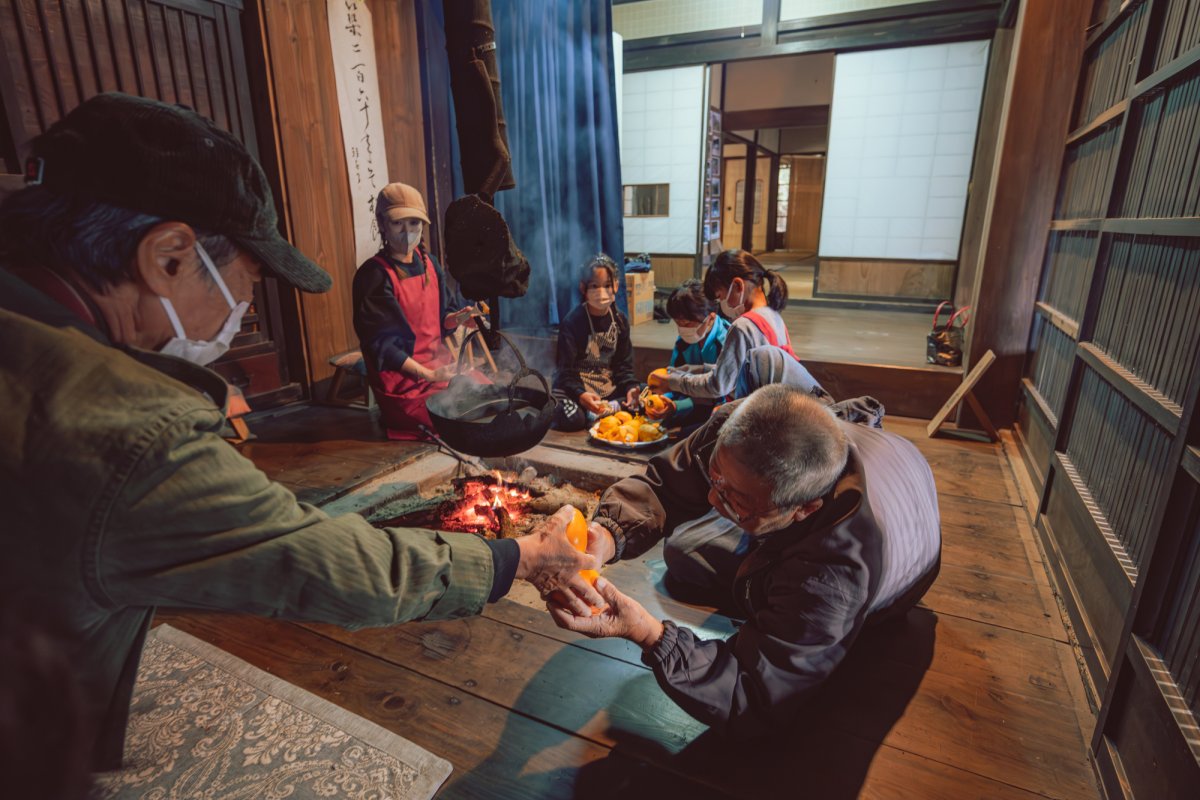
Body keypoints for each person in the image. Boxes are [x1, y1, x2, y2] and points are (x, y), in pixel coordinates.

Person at [0, 92, 602, 769]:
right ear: (167, 257)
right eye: (250, 278)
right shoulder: (125, 428)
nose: (244, 305)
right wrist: (516, 560)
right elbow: (318, 562)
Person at [548, 385, 942, 738]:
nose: (711, 497)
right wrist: (608, 534)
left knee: (705, 560)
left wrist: (648, 633)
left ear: (805, 509)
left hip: (905, 554)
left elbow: (753, 692)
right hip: (884, 458)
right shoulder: (742, 426)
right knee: (686, 552)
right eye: (716, 476)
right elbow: (670, 480)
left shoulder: (833, 572)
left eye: (736, 501)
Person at [352, 182, 477, 440]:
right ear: (382, 224)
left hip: (438, 367)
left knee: (483, 397)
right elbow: (383, 348)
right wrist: (429, 375)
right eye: (398, 223)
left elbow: (442, 320)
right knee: (449, 418)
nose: (407, 232)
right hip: (403, 381)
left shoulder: (430, 264)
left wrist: (460, 318)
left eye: (414, 223)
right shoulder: (374, 275)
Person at [648, 250, 829, 405]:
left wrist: (672, 382)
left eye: (721, 296)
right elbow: (731, 371)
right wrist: (682, 371)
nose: (722, 304)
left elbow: (718, 385)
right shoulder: (773, 316)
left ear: (737, 285)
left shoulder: (743, 326)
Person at [551, 254, 641, 431]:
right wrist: (581, 394)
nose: (601, 291)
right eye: (594, 286)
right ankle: (593, 410)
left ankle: (601, 410)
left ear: (616, 286)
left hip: (605, 387)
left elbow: (624, 366)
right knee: (573, 419)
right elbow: (565, 371)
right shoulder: (572, 322)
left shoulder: (620, 321)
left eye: (607, 285)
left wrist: (631, 388)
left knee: (642, 395)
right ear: (583, 288)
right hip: (577, 387)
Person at [646, 279, 730, 429]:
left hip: (718, 409)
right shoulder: (683, 343)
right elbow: (673, 380)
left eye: (687, 323)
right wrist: (664, 400)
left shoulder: (726, 343)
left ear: (710, 318)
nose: (683, 329)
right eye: (678, 323)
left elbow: (719, 395)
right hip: (692, 403)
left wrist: (678, 406)